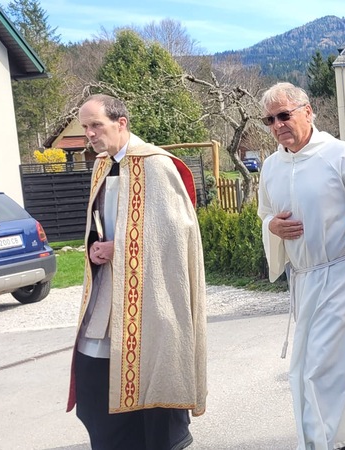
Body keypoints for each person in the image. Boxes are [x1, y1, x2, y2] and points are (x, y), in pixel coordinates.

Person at [256, 82, 345, 450]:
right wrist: (272, 227)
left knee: (325, 370)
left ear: (307, 111)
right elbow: (265, 213)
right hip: (304, 280)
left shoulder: (339, 153)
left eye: (284, 115)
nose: (277, 125)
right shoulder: (271, 167)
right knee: (303, 372)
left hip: (344, 274)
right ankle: (330, 442)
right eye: (270, 120)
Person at [68, 94, 207, 449]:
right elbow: (100, 222)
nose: (90, 134)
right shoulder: (101, 165)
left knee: (153, 375)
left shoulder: (156, 165)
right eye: (85, 127)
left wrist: (123, 247)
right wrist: (96, 246)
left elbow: (177, 234)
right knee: (94, 373)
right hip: (109, 288)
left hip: (150, 296)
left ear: (121, 123)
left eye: (96, 125)